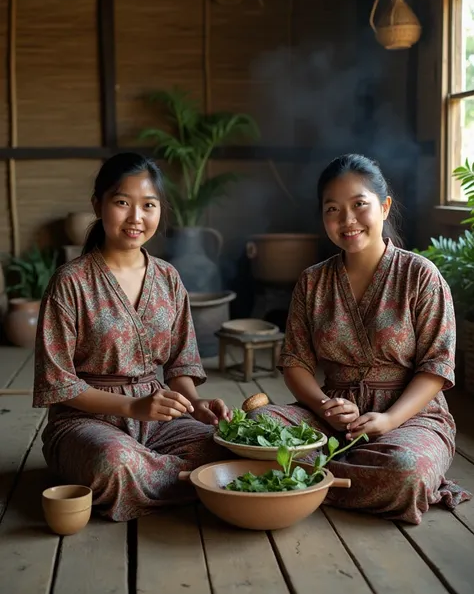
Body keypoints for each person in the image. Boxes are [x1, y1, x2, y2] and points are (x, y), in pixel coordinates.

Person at [247, 153, 472, 524]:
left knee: (404, 469)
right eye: (332, 209)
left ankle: (305, 479)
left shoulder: (421, 276)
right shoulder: (312, 281)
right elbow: (295, 363)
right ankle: (334, 472)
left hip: (410, 417)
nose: (347, 220)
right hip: (331, 414)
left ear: (384, 207)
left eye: (359, 205)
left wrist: (387, 421)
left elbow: (436, 366)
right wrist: (323, 407)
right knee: (256, 430)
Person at [33, 152, 232, 522]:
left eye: (148, 205)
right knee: (115, 462)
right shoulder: (71, 282)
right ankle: (204, 485)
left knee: (226, 446)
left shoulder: (169, 278)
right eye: (122, 202)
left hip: (157, 419)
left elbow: (181, 363)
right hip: (84, 423)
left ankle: (164, 478)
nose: (135, 218)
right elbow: (57, 384)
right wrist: (130, 408)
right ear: (98, 204)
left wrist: (195, 403)